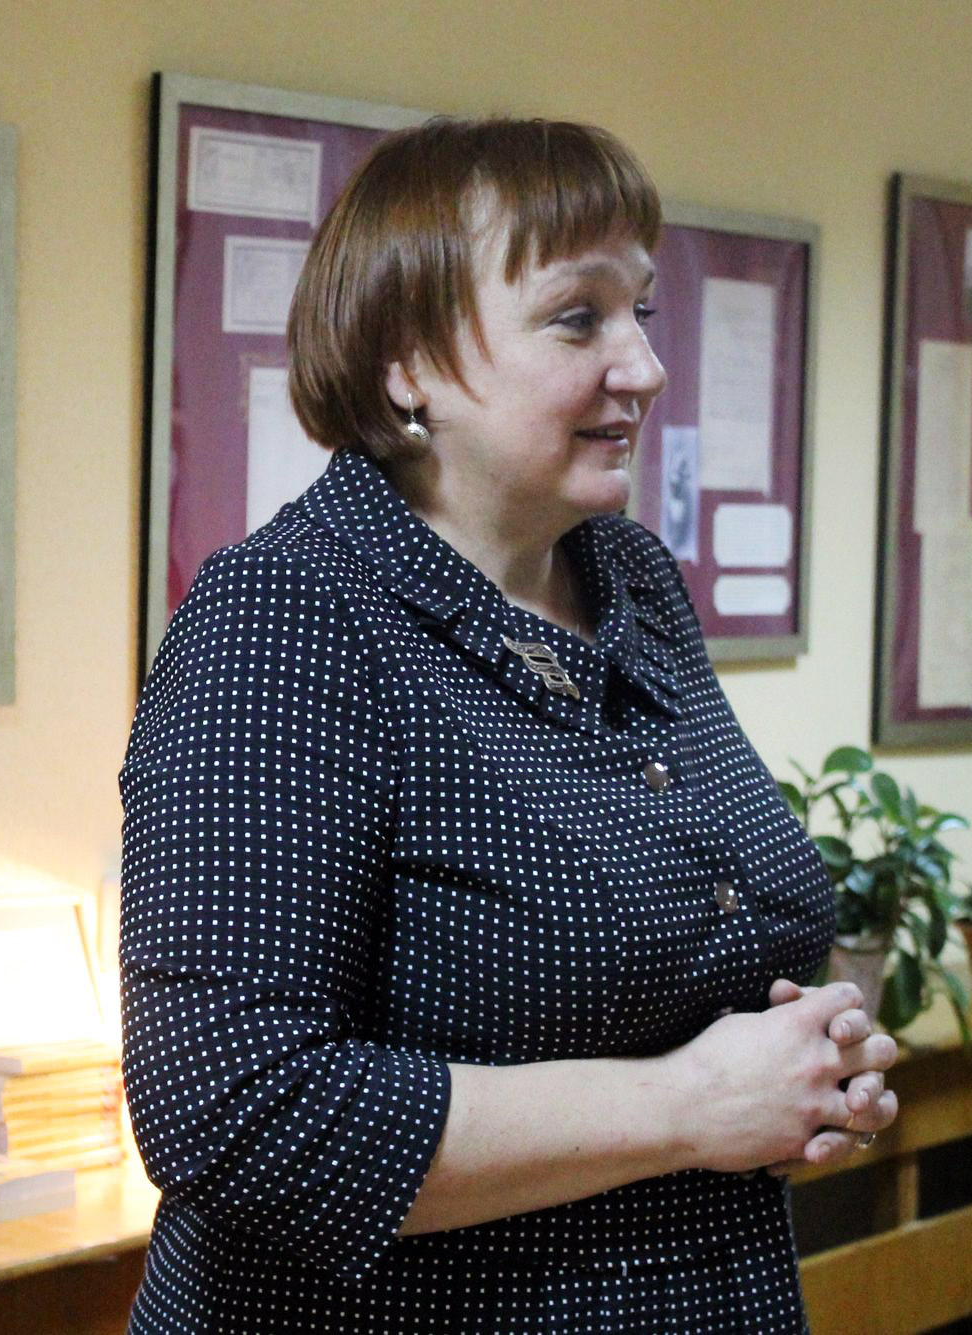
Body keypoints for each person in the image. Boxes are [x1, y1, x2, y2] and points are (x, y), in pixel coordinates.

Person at [119, 117, 897, 1333]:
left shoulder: (631, 579)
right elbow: (233, 1111)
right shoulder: (285, 616)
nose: (642, 366)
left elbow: (693, 956)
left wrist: (803, 1072)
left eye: (642, 311)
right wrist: (688, 1107)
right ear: (407, 364)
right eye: (577, 319)